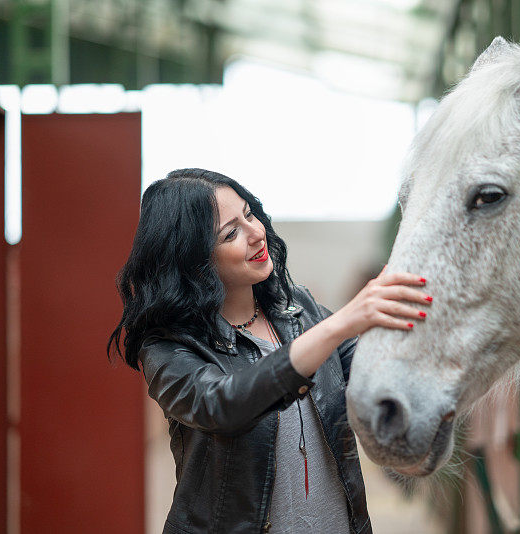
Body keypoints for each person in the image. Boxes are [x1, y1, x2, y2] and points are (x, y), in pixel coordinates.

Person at [107, 168, 432, 534]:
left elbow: (370, 368)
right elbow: (222, 405)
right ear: (194, 261)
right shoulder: (168, 348)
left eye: (249, 214)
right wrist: (342, 321)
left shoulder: (298, 309)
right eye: (231, 233)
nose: (256, 233)